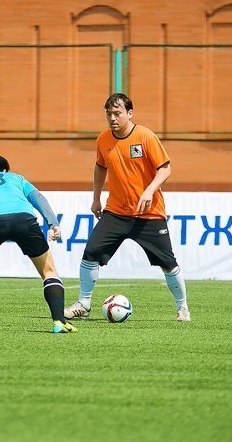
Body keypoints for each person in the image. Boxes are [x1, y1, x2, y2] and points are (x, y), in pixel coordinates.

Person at [65, 92, 190, 322]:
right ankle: (84, 304)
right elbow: (100, 167)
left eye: (117, 113)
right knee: (91, 252)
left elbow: (165, 169)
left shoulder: (145, 136)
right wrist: (96, 199)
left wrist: (149, 191)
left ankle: (183, 308)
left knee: (168, 263)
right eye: (109, 114)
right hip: (116, 212)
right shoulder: (103, 140)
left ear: (130, 113)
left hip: (149, 214)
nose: (112, 118)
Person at [0, 153, 77, 334]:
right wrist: (53, 223)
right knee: (49, 271)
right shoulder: (16, 178)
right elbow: (38, 198)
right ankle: (59, 321)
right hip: (24, 220)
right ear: (4, 170)